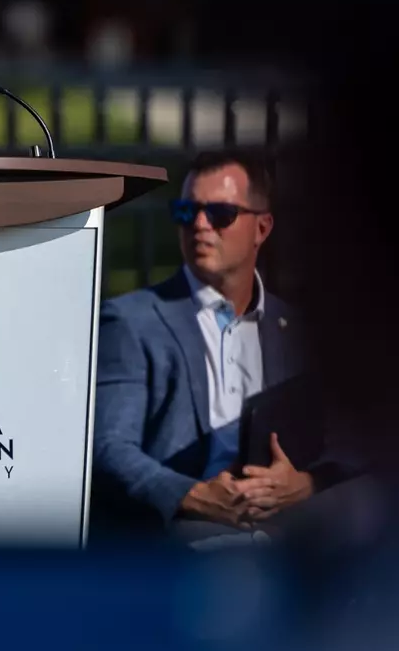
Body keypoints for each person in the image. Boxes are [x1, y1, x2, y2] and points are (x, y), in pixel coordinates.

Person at [93, 152, 359, 546]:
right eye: (187, 211)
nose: (200, 225)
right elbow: (109, 447)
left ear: (262, 228)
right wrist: (193, 496)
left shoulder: (298, 330)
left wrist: (304, 483)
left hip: (289, 532)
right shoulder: (131, 321)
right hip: (183, 539)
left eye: (220, 213)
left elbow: (354, 439)